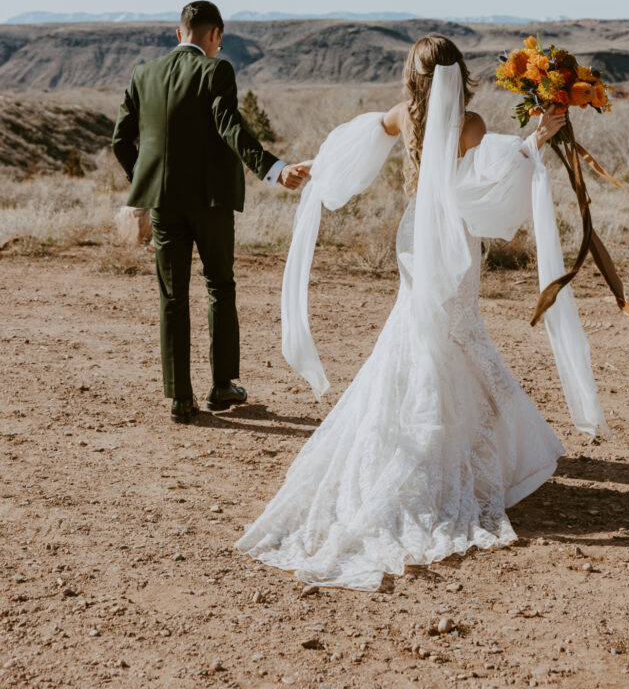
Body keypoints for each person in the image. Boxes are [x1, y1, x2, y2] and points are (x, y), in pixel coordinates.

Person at [236, 33, 608, 591]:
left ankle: (419, 441)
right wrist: (535, 139)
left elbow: (357, 141)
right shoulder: (471, 124)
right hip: (452, 243)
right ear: (458, 74)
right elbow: (486, 181)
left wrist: (319, 163)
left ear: (415, 76)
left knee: (422, 332)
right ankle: (449, 451)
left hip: (414, 237)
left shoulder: (402, 117)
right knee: (454, 333)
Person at [112, 0, 309, 424]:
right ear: (215, 36)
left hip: (164, 205)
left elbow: (120, 140)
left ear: (179, 33)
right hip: (211, 203)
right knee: (219, 286)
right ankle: (222, 385)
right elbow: (229, 125)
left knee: (172, 295)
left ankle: (180, 398)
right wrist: (273, 170)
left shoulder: (143, 75)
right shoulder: (216, 70)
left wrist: (145, 182)